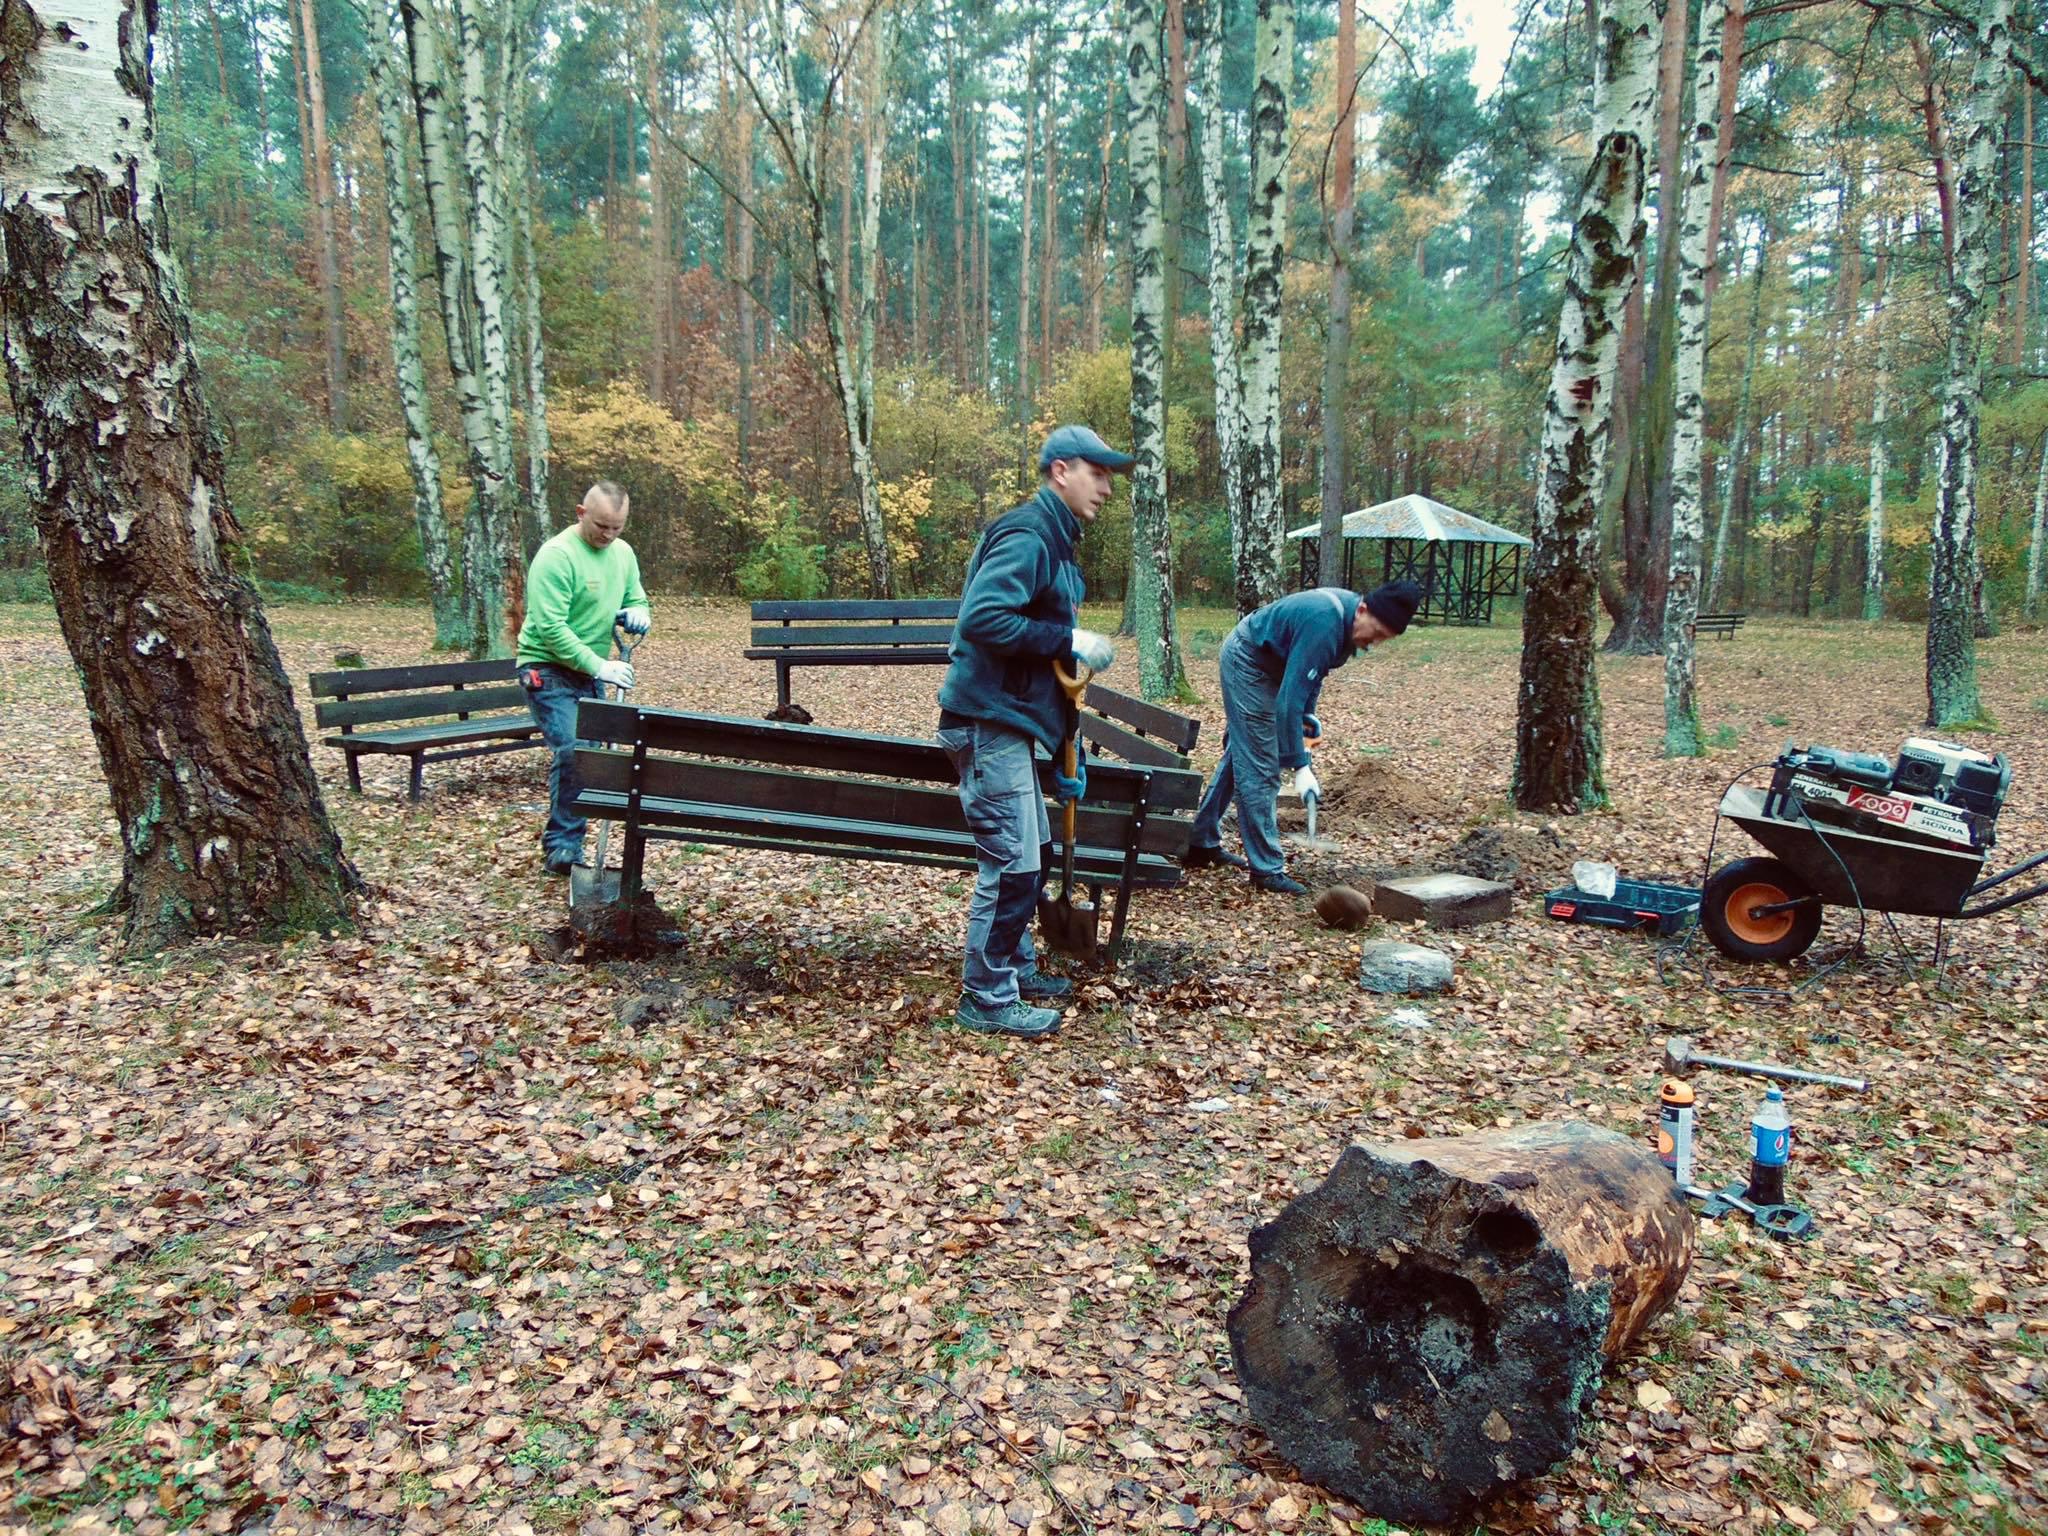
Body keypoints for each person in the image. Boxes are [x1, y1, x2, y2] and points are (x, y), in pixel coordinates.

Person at [935, 425, 1130, 1040]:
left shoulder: (1058, 546)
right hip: (986, 726)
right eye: (1096, 473)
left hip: (1011, 729)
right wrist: (1068, 636)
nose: (1105, 487)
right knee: (1014, 865)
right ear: (1060, 472)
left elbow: (1049, 672)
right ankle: (986, 998)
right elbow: (984, 618)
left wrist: (1062, 758)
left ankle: (1013, 970)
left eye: (1109, 477)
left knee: (1034, 855)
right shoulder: (1028, 533)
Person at [1185, 579, 1423, 893]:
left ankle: (1201, 842)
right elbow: (1288, 702)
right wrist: (1299, 767)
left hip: (1274, 668)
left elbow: (1309, 690)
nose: (1374, 642)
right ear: (1363, 609)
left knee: (1243, 755)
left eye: (1384, 639)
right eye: (1376, 632)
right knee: (1261, 769)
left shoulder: (1348, 626)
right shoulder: (1324, 622)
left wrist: (1307, 750)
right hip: (1249, 661)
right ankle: (1267, 870)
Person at [514, 482, 652, 876]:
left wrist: (638, 612)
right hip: (545, 667)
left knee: (594, 753)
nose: (608, 535)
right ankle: (562, 846)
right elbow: (550, 627)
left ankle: (571, 840)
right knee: (574, 748)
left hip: (588, 667)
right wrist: (599, 666)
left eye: (617, 527)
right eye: (601, 526)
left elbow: (635, 597)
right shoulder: (557, 557)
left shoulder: (623, 554)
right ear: (580, 513)